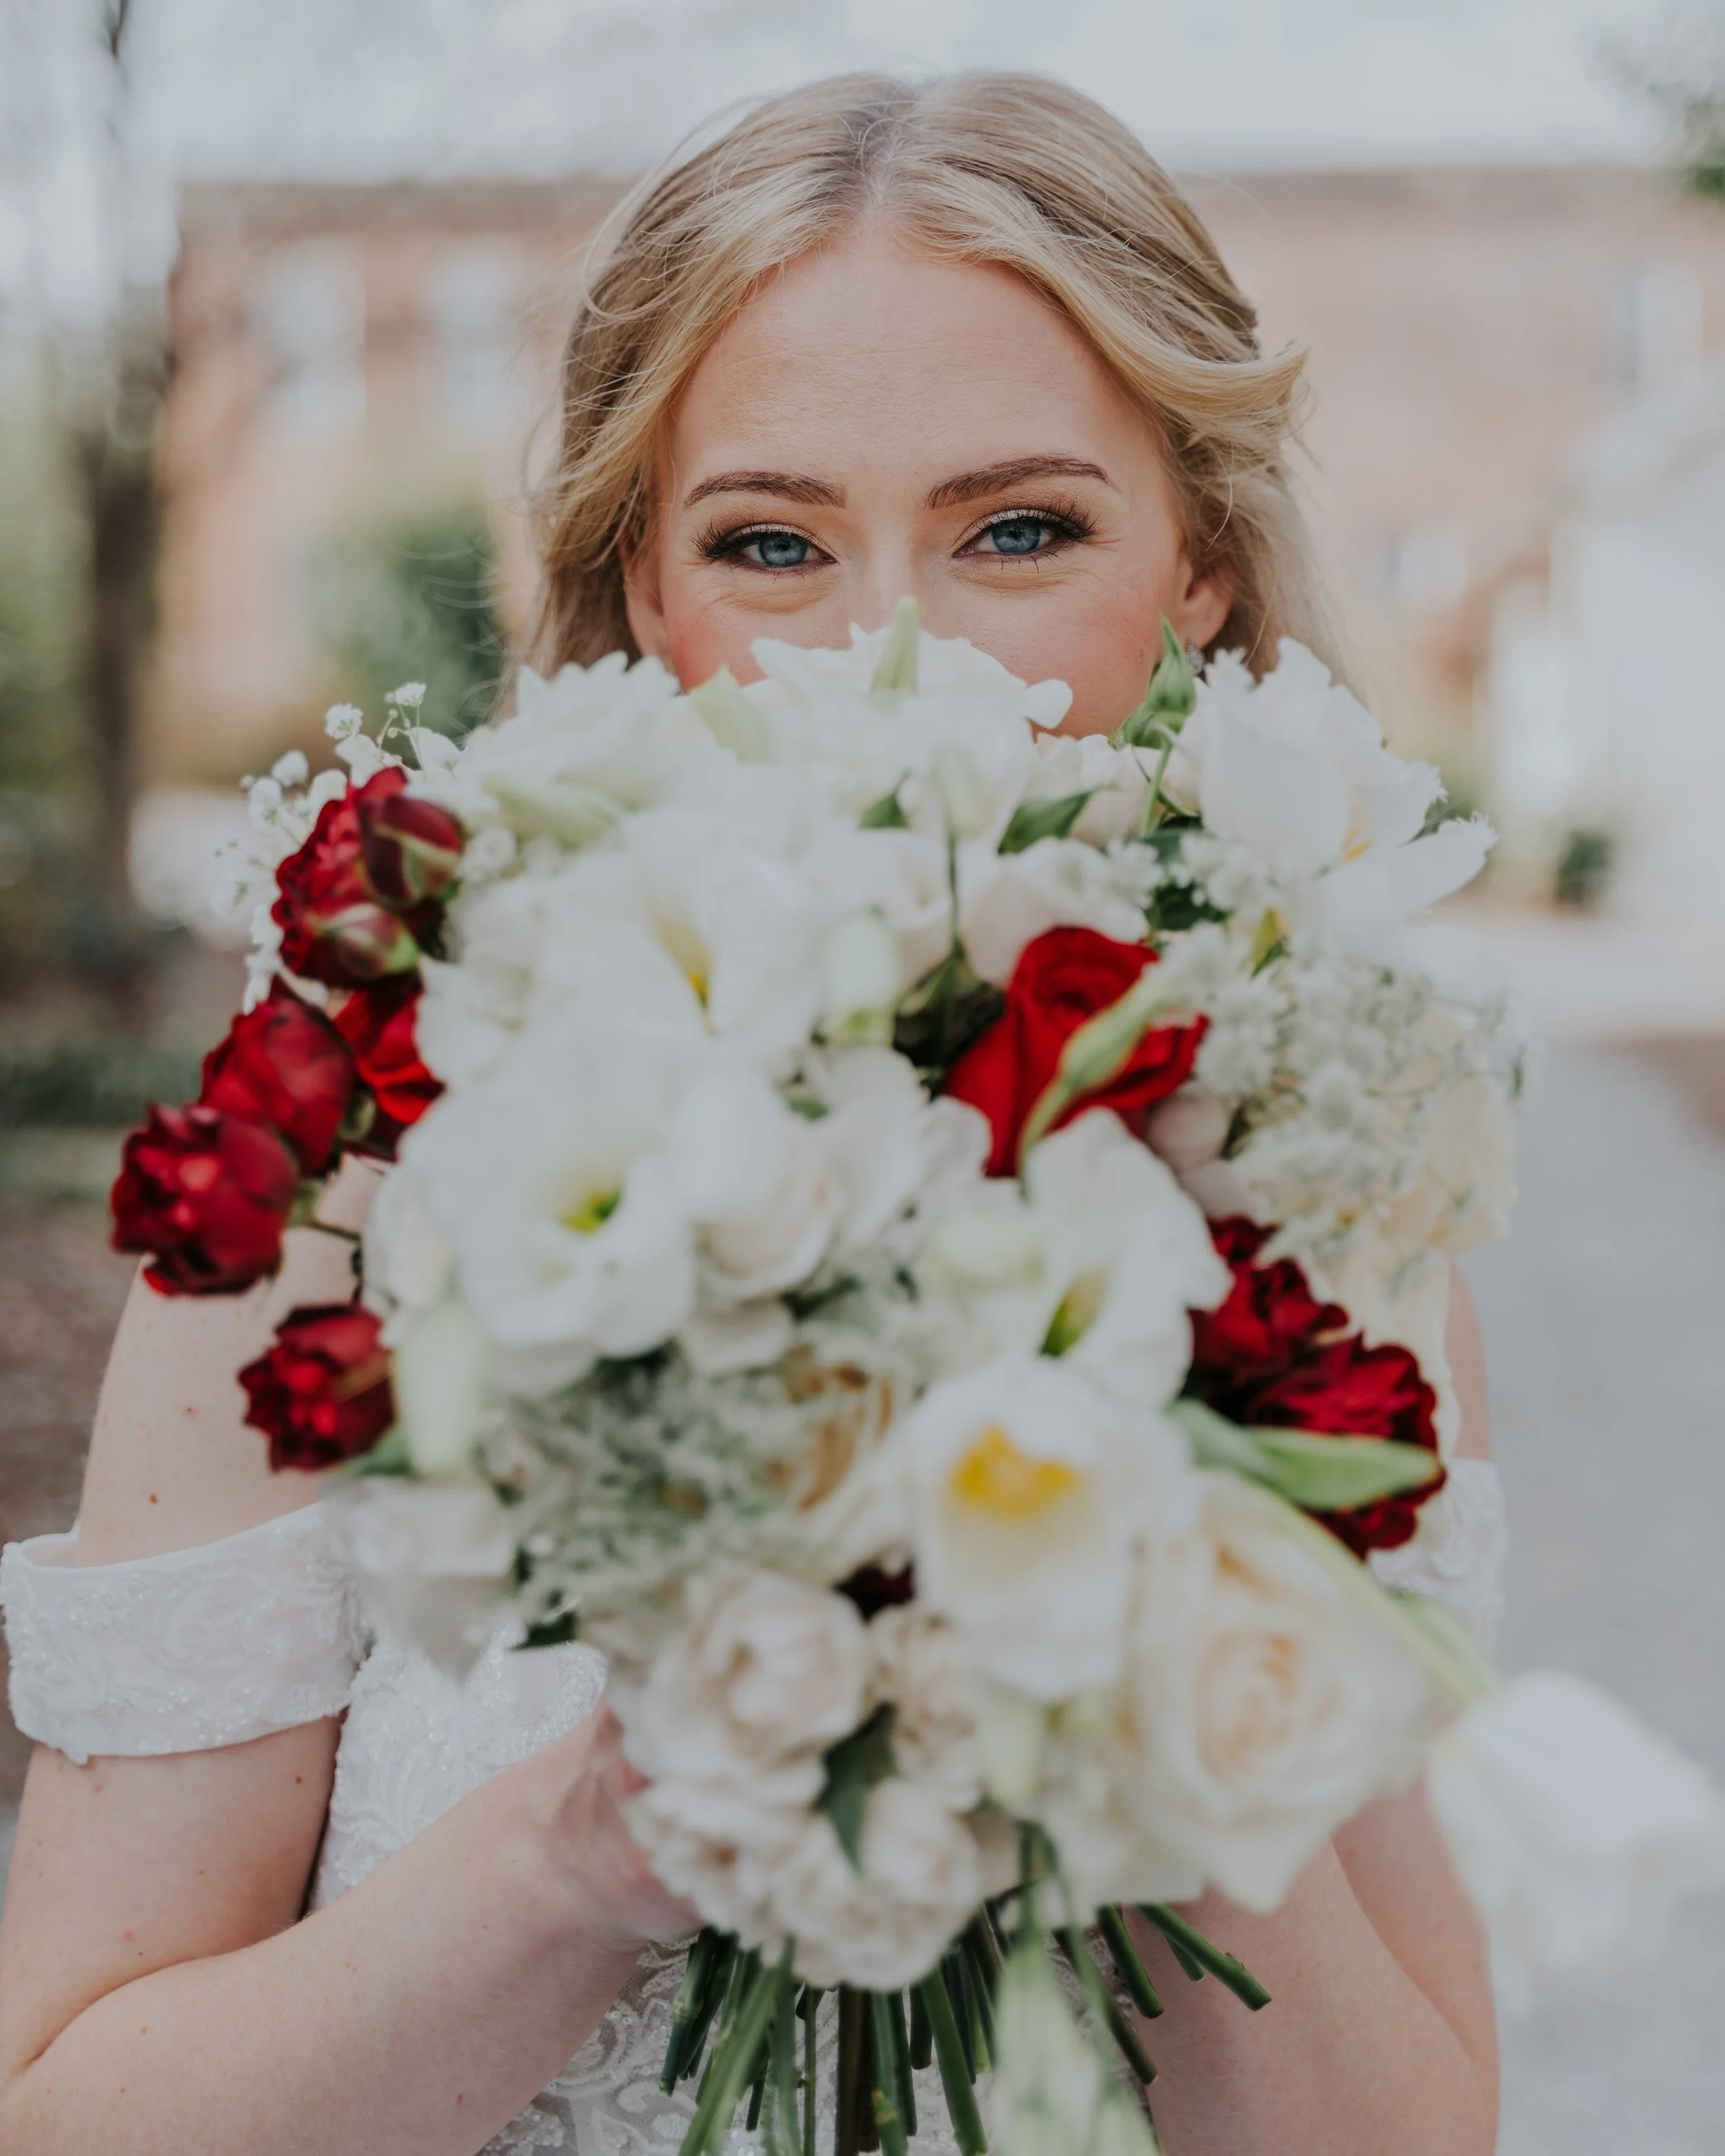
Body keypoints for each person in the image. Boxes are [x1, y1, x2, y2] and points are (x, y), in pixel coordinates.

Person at [0, 72, 1504, 2156]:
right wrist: (587, 1850)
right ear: (638, 591)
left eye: (1020, 530)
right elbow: (67, 2109)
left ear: (1200, 582)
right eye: (772, 542)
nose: (887, 648)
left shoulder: (1321, 1187)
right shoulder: (341, 1162)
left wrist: (1131, 1676)